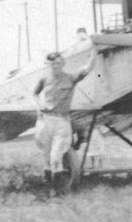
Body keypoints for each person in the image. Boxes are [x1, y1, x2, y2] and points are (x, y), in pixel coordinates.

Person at [33, 48, 97, 195]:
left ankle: (59, 192)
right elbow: (35, 93)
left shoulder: (70, 77)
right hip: (45, 121)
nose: (57, 66)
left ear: (63, 63)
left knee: (56, 157)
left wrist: (95, 50)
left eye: (60, 63)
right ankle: (50, 190)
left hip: (62, 121)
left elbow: (88, 68)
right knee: (47, 159)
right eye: (54, 63)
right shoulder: (44, 80)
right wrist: (38, 106)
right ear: (49, 65)